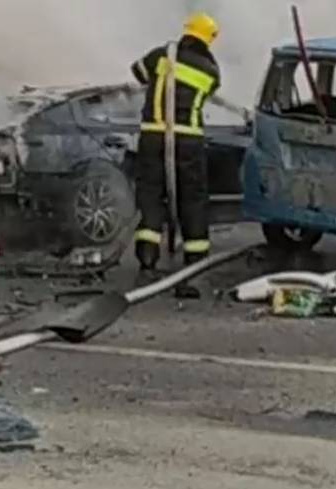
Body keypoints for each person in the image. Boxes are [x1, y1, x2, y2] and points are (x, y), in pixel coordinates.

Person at [130, 12, 221, 298]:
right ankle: (194, 265)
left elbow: (137, 72)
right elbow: (208, 93)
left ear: (187, 31)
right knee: (192, 199)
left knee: (150, 193)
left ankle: (147, 260)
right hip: (189, 141)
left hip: (153, 137)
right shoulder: (211, 71)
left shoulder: (161, 55)